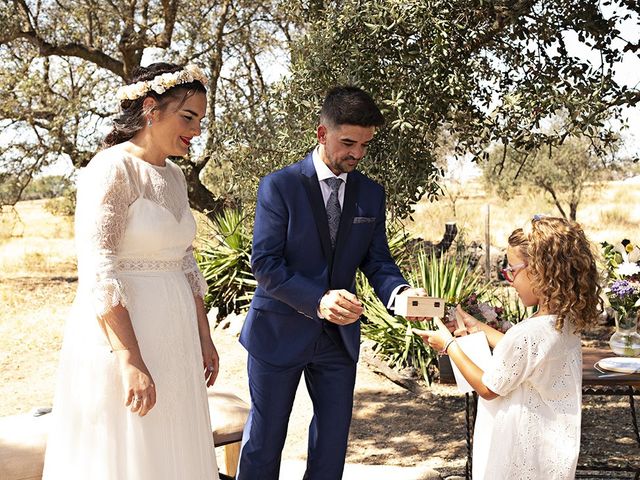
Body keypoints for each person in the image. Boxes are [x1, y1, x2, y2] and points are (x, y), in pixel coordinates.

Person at [237, 85, 426, 480]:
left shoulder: (371, 195)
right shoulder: (280, 186)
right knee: (265, 441)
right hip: (278, 331)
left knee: (331, 445)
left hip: (338, 339)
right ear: (322, 133)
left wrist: (402, 292)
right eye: (348, 143)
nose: (356, 153)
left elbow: (378, 262)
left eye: (365, 145)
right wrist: (318, 300)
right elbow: (265, 263)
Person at [43, 63, 221, 479]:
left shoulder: (175, 175)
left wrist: (203, 334)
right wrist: (130, 359)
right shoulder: (110, 169)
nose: (196, 131)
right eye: (188, 117)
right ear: (150, 109)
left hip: (174, 337)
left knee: (174, 446)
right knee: (131, 449)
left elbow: (185, 261)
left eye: (201, 120)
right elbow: (98, 268)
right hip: (125, 337)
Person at [415, 216, 602, 480]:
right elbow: (528, 355)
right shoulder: (562, 323)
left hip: (516, 455)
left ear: (540, 271)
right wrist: (476, 326)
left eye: (512, 270)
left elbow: (488, 387)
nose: (509, 279)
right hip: (547, 454)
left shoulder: (528, 333)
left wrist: (449, 345)